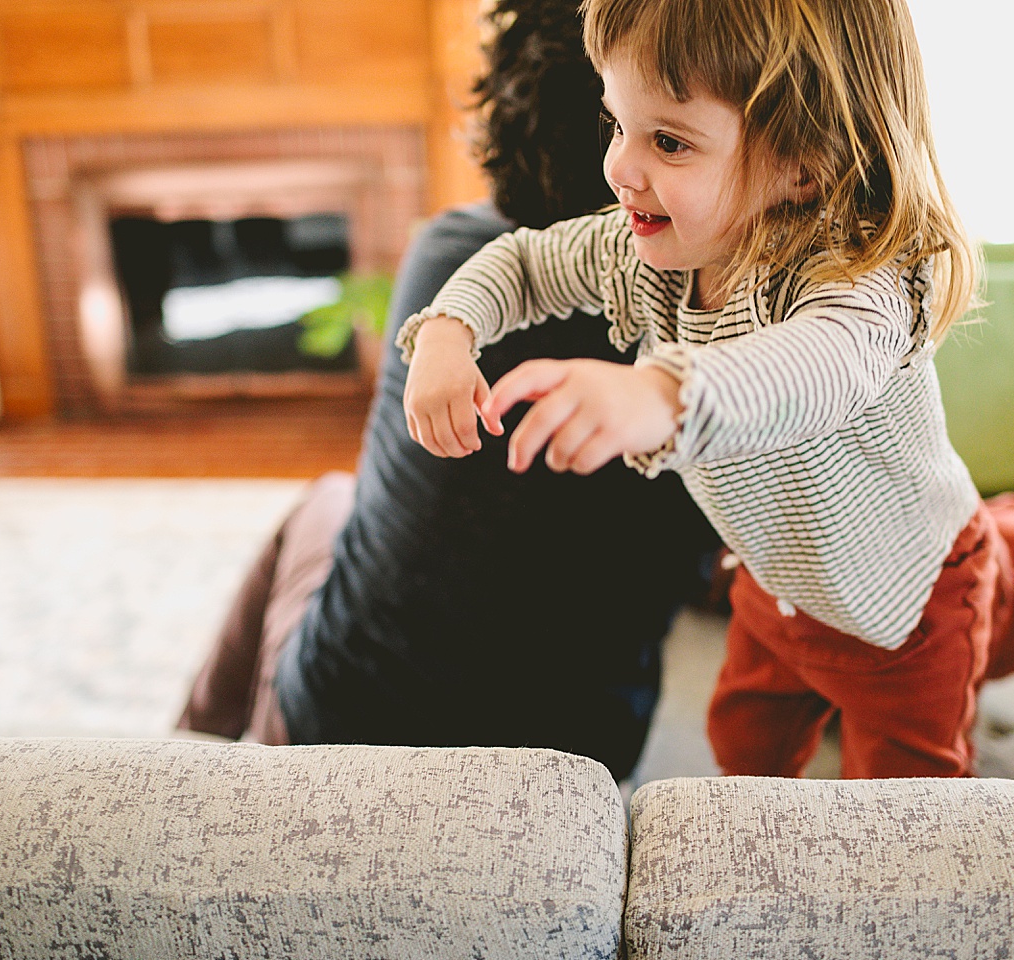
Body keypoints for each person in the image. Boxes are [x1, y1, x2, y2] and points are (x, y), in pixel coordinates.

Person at [400, 0, 1014, 778]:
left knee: (902, 822)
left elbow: (805, 371)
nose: (620, 167)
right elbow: (522, 261)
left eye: (669, 142)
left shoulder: (863, 283)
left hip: (913, 607)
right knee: (742, 748)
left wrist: (657, 395)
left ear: (802, 166)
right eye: (615, 122)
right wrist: (448, 330)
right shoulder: (646, 254)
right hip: (782, 586)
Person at [177, 0, 719, 781]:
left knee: (328, 498)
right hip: (573, 763)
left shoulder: (448, 252)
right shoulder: (733, 334)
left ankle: (187, 764)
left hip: (337, 734)